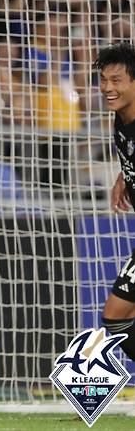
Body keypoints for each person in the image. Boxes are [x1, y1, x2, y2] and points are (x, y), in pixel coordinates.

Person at [95, 43, 135, 362]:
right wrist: (125, 175)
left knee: (116, 315)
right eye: (104, 80)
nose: (108, 87)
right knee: (116, 318)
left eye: (117, 80)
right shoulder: (121, 117)